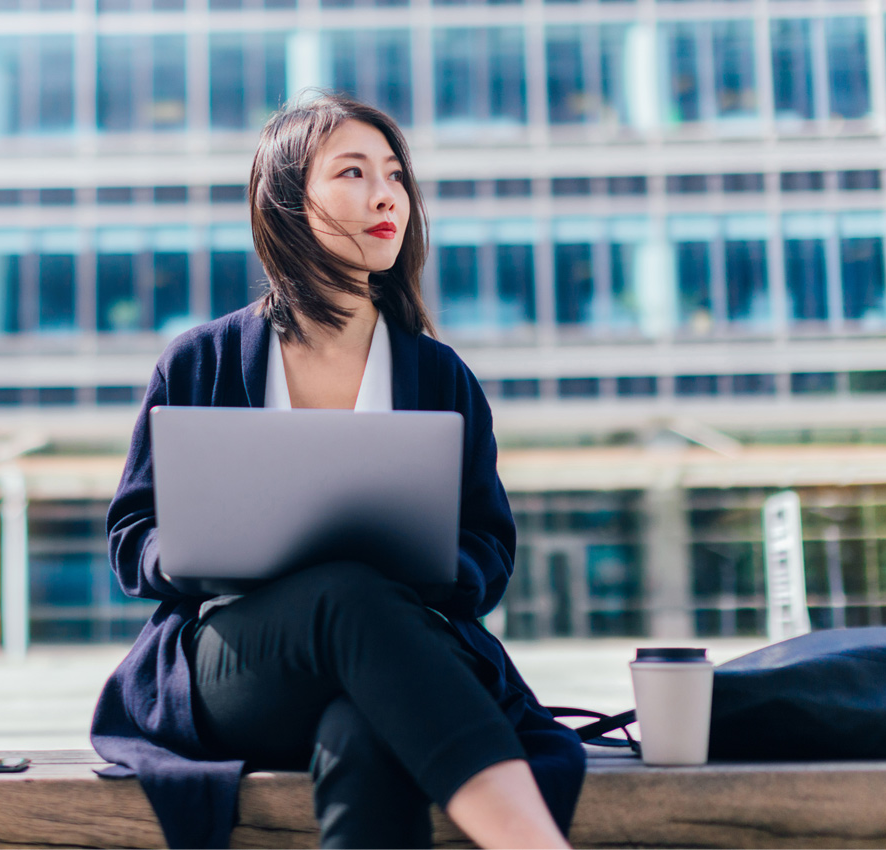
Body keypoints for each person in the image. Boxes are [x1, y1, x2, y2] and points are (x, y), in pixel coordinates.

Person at [90, 93, 586, 850]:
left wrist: (425, 563)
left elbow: (488, 548)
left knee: (364, 729)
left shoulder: (439, 374)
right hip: (240, 666)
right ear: (288, 201)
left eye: (395, 175)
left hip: (396, 651)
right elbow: (133, 537)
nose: (387, 194)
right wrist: (196, 549)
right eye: (353, 173)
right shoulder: (201, 360)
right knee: (343, 591)